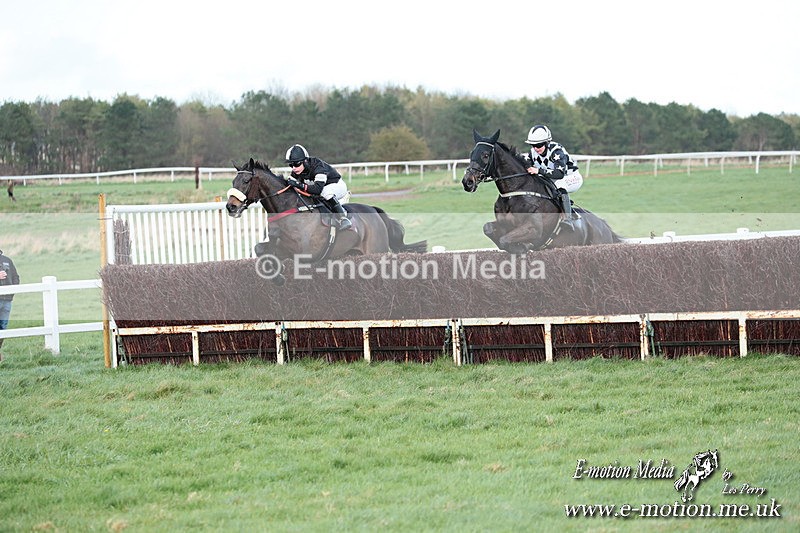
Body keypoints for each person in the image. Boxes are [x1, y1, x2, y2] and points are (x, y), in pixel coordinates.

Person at [523, 124, 584, 230]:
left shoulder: (556, 151)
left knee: (559, 185)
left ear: (547, 143)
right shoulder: (532, 152)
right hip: (551, 179)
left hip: (570, 177)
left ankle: (568, 219)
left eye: (539, 145)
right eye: (533, 145)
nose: (536, 148)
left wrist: (539, 171)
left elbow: (559, 174)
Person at [284, 144, 352, 231]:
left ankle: (343, 218)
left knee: (325, 192)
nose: (294, 168)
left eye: (296, 164)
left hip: (337, 186)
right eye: (291, 165)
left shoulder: (318, 166)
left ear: (305, 161)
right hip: (321, 189)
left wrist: (298, 185)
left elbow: (317, 189)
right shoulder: (297, 170)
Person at [0, 248, 20, 361]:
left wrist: (12, 291)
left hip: (7, 300)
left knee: (3, 328)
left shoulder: (7, 260)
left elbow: (16, 277)